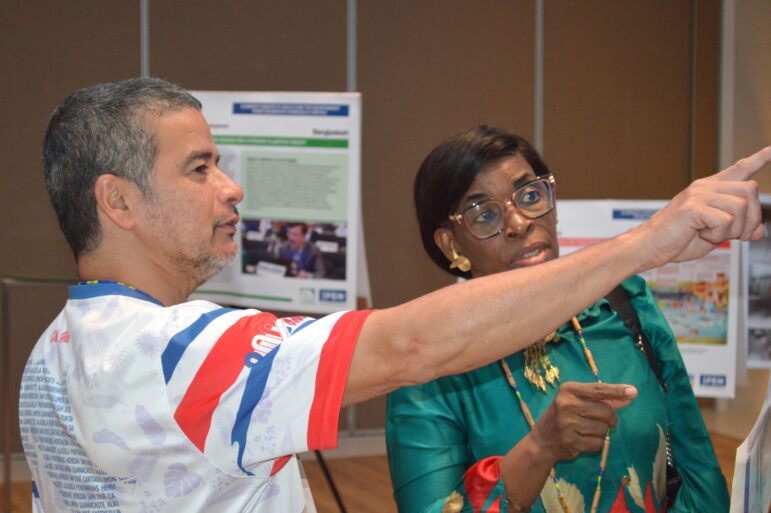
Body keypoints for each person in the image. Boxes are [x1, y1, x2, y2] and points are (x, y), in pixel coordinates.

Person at [18, 78, 767, 513]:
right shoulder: (180, 352)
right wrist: (652, 236)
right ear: (117, 201)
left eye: (530, 194)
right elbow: (410, 346)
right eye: (199, 167)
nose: (231, 186)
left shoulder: (48, 360)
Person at [386, 126, 735, 513]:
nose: (519, 223)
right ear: (451, 244)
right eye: (484, 214)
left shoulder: (623, 304)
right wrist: (540, 448)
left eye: (530, 196)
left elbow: (697, 469)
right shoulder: (429, 370)